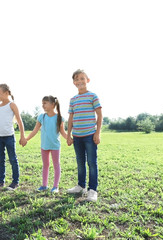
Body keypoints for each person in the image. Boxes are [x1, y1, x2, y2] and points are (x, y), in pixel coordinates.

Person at [67, 69, 102, 202]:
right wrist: (69, 135)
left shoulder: (93, 96)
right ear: (74, 83)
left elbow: (99, 115)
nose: (79, 81)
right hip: (77, 136)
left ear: (88, 80)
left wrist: (97, 133)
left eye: (82, 78)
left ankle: (92, 190)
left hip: (89, 135)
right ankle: (81, 186)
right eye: (77, 79)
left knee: (92, 163)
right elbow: (71, 118)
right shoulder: (73, 99)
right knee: (80, 162)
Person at [23, 96, 67, 193]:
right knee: (45, 165)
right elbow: (35, 130)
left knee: (56, 165)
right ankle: (44, 185)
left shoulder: (59, 118)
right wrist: (26, 139)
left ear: (52, 105)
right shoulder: (41, 117)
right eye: (42, 103)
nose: (43, 105)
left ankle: (55, 186)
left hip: (55, 146)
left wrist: (69, 139)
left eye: (45, 103)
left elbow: (63, 132)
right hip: (44, 145)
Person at [0, 84, 26, 191]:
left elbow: (20, 121)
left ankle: (15, 182)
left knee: (12, 159)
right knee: (0, 160)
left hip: (9, 137)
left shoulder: (12, 105)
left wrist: (22, 136)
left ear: (6, 93)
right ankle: (1, 181)